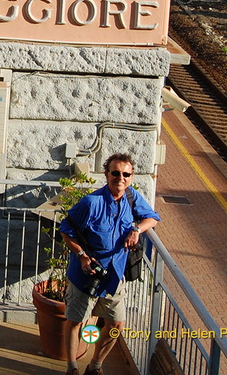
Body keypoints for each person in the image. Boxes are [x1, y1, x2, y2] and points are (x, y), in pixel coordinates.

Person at [58, 153, 161, 375]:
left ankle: (95, 366)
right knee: (76, 321)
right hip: (85, 275)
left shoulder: (131, 198)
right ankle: (72, 368)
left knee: (116, 325)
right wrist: (82, 255)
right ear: (107, 174)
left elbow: (153, 218)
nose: (120, 178)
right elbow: (66, 230)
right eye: (115, 173)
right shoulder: (90, 203)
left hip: (114, 277)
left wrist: (136, 229)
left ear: (131, 177)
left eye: (126, 174)